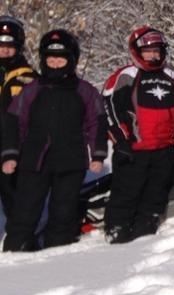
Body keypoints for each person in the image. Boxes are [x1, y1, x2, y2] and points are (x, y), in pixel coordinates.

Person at [1, 30, 107, 251]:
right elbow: (14, 122)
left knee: (63, 212)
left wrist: (97, 154)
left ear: (72, 60)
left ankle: (55, 258)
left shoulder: (85, 91)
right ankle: (16, 251)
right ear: (43, 59)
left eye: (61, 59)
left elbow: (96, 122)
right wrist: (11, 154)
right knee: (25, 210)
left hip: (70, 162)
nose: (56, 64)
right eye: (51, 59)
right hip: (34, 161)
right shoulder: (32, 89)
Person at [102, 27, 174, 243]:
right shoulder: (125, 76)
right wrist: (122, 139)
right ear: (137, 51)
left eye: (156, 50)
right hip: (133, 150)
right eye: (148, 51)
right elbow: (109, 107)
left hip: (164, 150)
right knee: (126, 195)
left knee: (155, 195)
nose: (153, 55)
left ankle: (143, 236)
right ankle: (116, 233)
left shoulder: (172, 77)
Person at [0, 16, 37, 221]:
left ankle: (21, 238)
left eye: (10, 46)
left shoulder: (27, 78)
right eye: (0, 45)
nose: (4, 50)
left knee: (15, 198)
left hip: (17, 149)